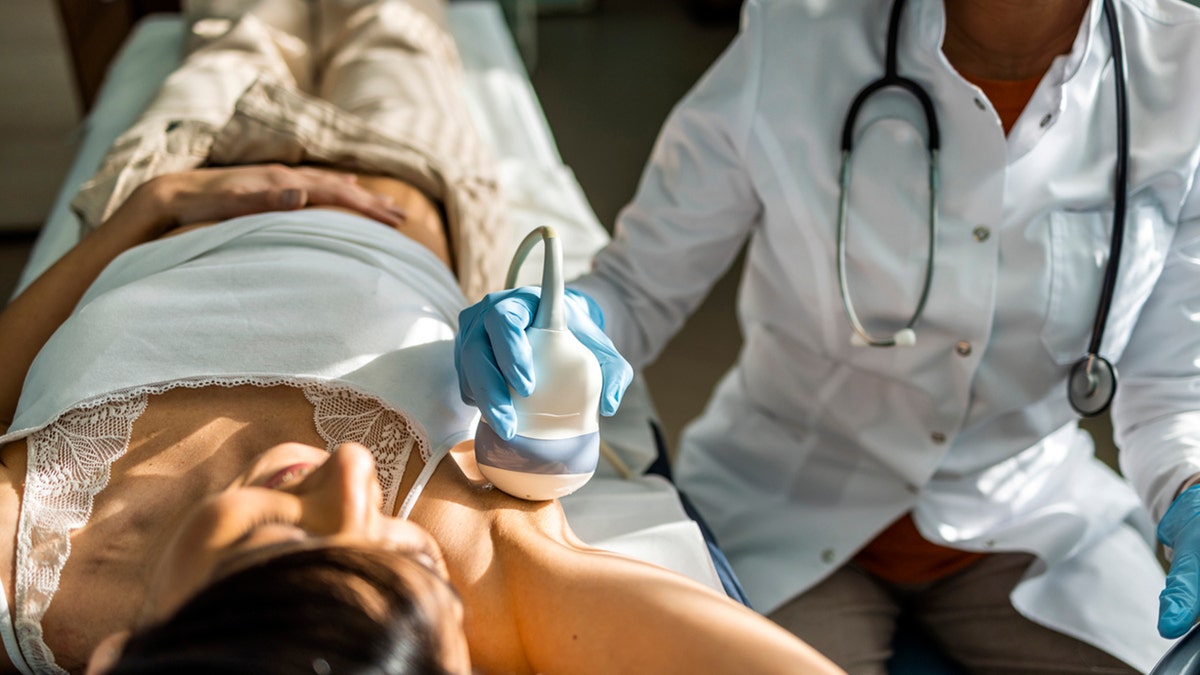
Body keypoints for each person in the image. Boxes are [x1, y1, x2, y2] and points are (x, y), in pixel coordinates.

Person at [0, 1, 844, 673]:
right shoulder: (477, 588)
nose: (352, 475)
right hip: (402, 178)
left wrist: (149, 210)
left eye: (277, 542)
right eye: (413, 559)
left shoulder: (25, 578)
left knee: (236, 25)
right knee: (391, 20)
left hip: (187, 172)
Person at [455, 0, 1200, 672]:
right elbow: (637, 287)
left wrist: (1193, 488)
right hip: (787, 502)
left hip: (1036, 519)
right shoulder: (798, 36)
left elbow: (1169, 391)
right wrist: (564, 328)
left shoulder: (1184, 72)